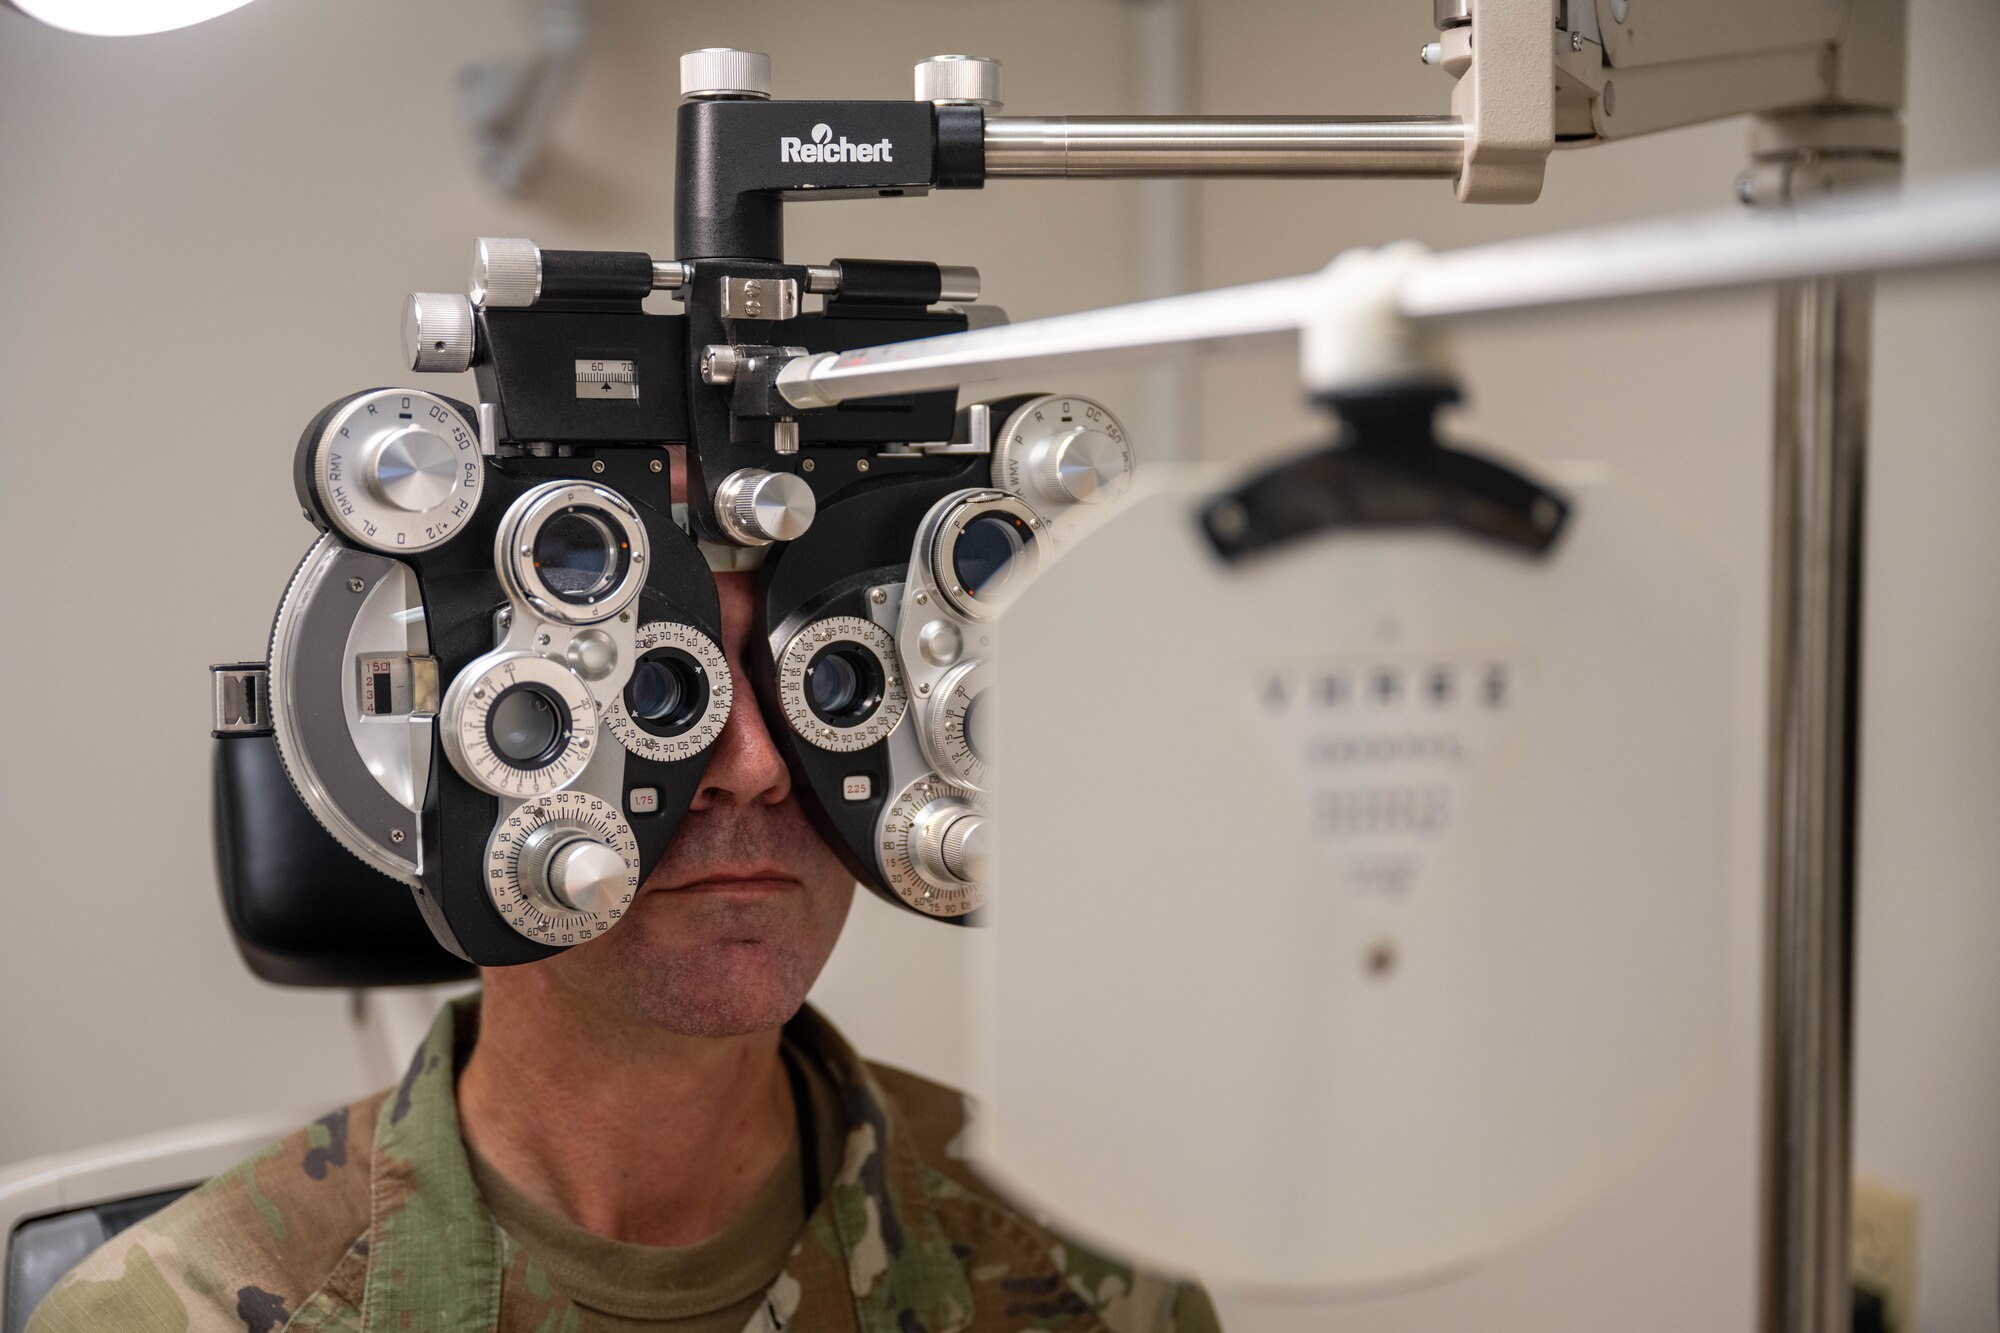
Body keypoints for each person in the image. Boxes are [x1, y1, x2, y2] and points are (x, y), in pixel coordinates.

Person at [27, 457, 1219, 1333]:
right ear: (457, 751)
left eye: (823, 683)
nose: (750, 765)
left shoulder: (1091, 1280)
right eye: (655, 696)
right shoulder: (176, 1311)